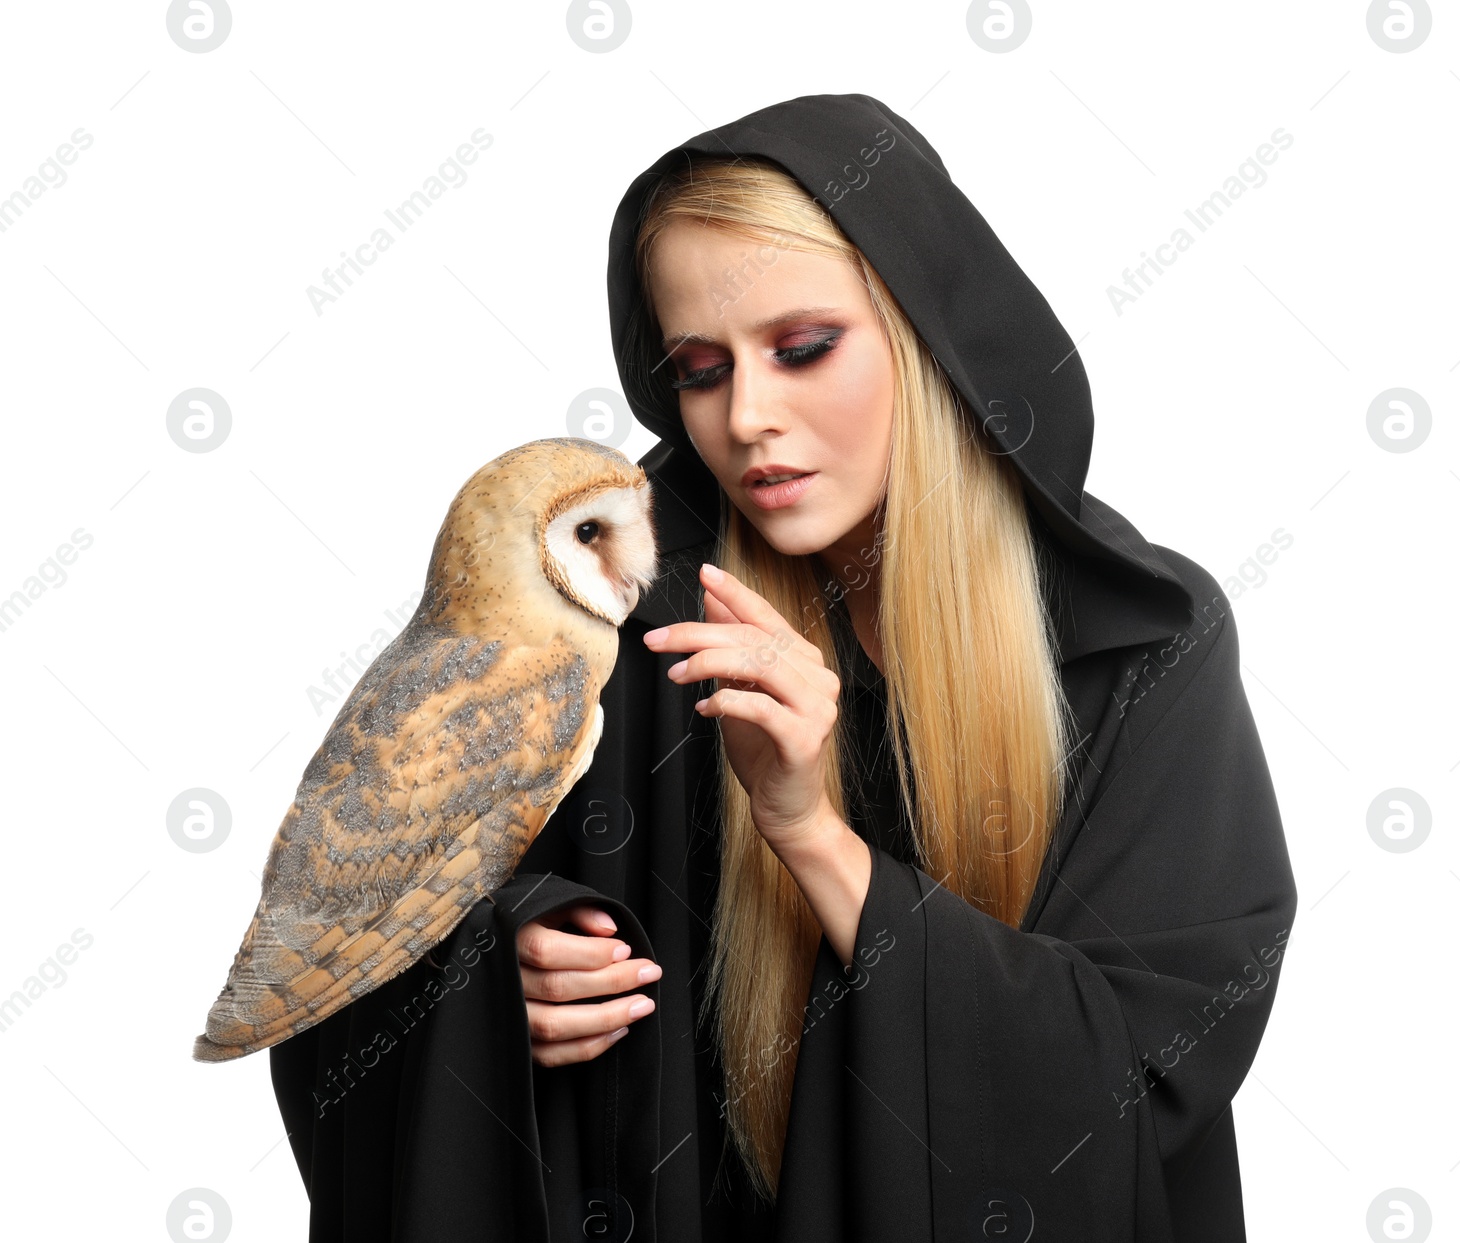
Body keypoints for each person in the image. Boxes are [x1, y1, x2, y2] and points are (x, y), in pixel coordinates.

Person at [269, 92, 1298, 1243]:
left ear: (927, 331)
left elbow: (1138, 1079)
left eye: (803, 349)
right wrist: (488, 986)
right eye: (700, 371)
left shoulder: (1141, 645)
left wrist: (809, 831)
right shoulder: (594, 608)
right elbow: (339, 947)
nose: (749, 415)